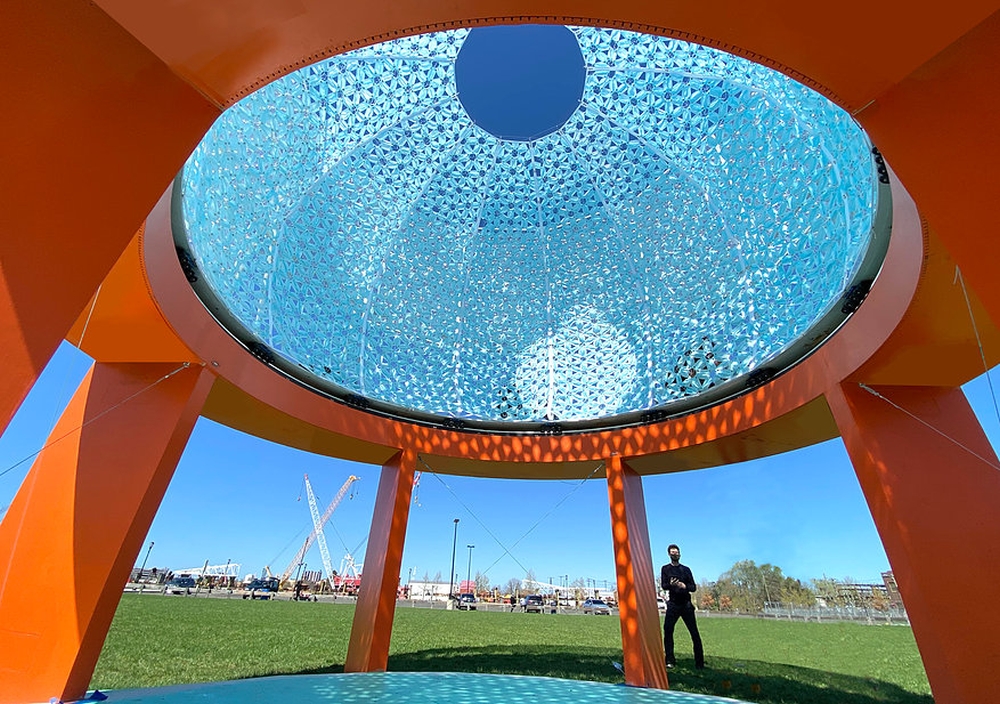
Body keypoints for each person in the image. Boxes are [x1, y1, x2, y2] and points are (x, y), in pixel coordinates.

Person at [660, 544, 704, 669]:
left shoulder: (686, 570)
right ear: (669, 554)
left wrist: (684, 586)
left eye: (677, 552)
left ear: (680, 554)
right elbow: (664, 585)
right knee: (668, 631)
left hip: (686, 605)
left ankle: (699, 663)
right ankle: (669, 660)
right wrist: (671, 584)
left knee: (694, 633)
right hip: (673, 605)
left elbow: (693, 587)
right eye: (673, 552)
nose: (675, 554)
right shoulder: (665, 569)